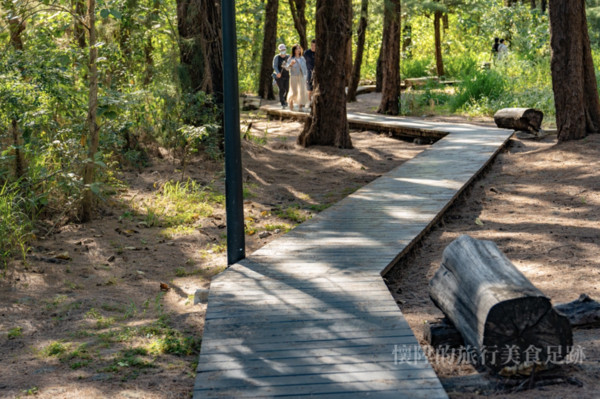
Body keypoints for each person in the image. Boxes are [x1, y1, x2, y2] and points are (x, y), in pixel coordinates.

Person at [285, 44, 309, 112]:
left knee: (302, 91)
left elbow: (305, 68)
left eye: (299, 48)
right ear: (294, 50)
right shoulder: (291, 58)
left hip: (302, 76)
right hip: (294, 76)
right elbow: (287, 68)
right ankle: (291, 103)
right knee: (294, 91)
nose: (298, 50)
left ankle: (300, 107)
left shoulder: (302, 58)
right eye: (296, 49)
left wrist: (306, 77)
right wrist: (291, 64)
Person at [272, 44, 290, 108]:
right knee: (281, 89)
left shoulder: (288, 56)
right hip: (279, 76)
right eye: (282, 50)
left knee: (287, 89)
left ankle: (285, 100)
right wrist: (278, 72)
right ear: (279, 50)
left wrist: (286, 65)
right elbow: (274, 66)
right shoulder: (276, 57)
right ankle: (282, 103)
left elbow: (290, 65)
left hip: (287, 75)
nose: (283, 51)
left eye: (284, 49)